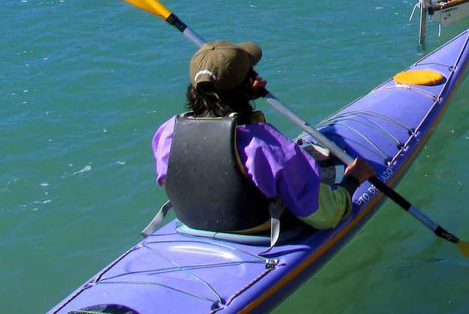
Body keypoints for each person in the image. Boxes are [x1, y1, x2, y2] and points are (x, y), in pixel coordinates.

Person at [151, 40, 376, 235]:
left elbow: (166, 177)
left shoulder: (168, 131)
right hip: (258, 228)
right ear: (248, 84)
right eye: (252, 74)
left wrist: (243, 94)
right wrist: (352, 181)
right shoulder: (264, 145)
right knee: (311, 166)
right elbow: (325, 216)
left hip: (194, 220)